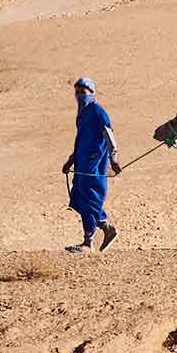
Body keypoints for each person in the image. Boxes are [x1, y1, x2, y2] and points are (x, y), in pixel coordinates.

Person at [61, 76, 121, 251]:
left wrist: (114, 158)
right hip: (82, 163)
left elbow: (108, 134)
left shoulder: (97, 111)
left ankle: (88, 242)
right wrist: (71, 160)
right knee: (79, 198)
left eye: (83, 92)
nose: (80, 95)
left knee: (90, 199)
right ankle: (107, 229)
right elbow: (80, 140)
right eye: (77, 92)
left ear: (92, 93)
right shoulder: (81, 114)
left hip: (95, 164)